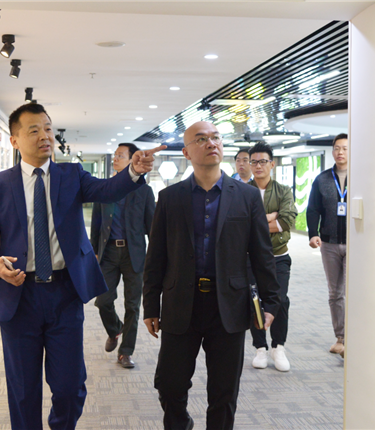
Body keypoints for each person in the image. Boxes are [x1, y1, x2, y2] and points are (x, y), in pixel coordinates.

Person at [0, 103, 164, 430]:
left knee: (70, 388)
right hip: (19, 296)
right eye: (34, 130)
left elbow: (107, 190)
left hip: (64, 293)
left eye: (47, 128)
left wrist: (133, 170)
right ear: (14, 140)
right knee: (23, 390)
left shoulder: (71, 175)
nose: (45, 136)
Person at [143, 121, 280, 430]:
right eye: (201, 139)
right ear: (186, 152)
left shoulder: (247, 196)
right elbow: (157, 257)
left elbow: (262, 254)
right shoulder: (169, 197)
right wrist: (150, 305)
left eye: (216, 137)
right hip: (181, 303)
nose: (211, 143)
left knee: (224, 391)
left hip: (228, 305)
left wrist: (271, 302)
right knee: (169, 385)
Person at [90, 143, 155, 368]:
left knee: (133, 306)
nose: (115, 158)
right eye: (115, 155)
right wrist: (94, 251)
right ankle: (115, 329)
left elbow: (152, 227)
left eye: (120, 155)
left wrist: (155, 258)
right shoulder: (105, 188)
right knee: (103, 301)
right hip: (108, 253)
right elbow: (96, 223)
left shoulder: (144, 191)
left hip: (133, 254)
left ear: (132, 160)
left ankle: (126, 352)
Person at [246, 142, 297, 372]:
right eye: (254, 162)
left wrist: (257, 223)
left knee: (280, 300)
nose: (258, 166)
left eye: (263, 161)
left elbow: (286, 221)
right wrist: (270, 217)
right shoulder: (243, 191)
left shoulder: (283, 190)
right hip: (250, 257)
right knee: (254, 300)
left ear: (272, 164)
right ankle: (260, 348)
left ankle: (278, 347)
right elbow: (239, 225)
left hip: (278, 255)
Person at [306, 133, 348, 358]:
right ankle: (340, 338)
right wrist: (313, 233)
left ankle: (355, 338)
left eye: (345, 148)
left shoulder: (362, 176)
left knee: (354, 292)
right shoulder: (322, 179)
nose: (340, 152)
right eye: (337, 148)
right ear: (332, 151)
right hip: (329, 244)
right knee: (335, 293)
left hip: (355, 244)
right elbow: (313, 209)